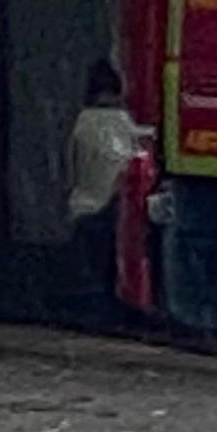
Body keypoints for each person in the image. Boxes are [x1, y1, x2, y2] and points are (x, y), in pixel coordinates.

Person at [63, 60, 146, 319]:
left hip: (83, 210)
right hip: (110, 213)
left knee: (94, 279)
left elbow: (72, 169)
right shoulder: (122, 124)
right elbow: (127, 164)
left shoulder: (82, 122)